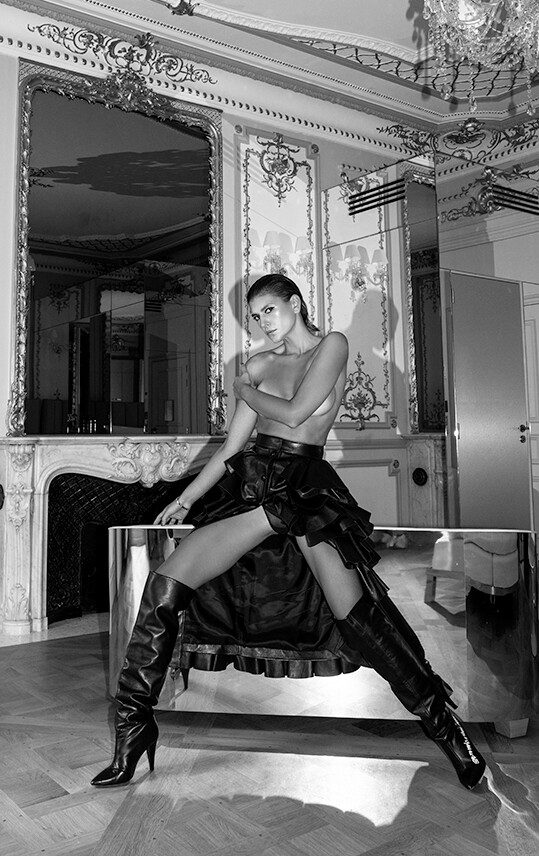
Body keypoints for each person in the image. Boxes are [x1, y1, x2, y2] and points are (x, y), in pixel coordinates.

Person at [91, 273, 486, 791]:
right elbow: (232, 448)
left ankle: (447, 728)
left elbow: (299, 414)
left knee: (361, 618)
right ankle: (133, 726)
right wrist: (184, 498)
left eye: (269, 311)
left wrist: (243, 389)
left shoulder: (331, 346)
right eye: (255, 316)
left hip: (305, 488)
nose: (262, 323)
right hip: (253, 485)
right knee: (165, 584)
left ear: (295, 304)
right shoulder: (258, 364)